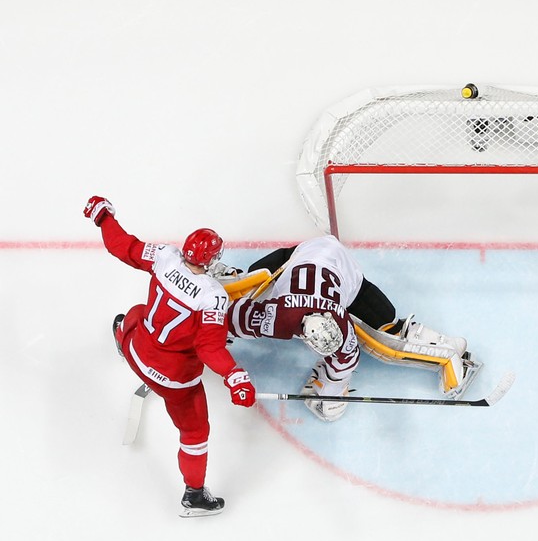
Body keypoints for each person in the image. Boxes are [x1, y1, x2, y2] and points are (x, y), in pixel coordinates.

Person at [83, 195, 257, 517]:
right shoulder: (214, 297)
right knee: (195, 433)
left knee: (136, 313)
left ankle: (120, 340)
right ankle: (194, 496)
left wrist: (104, 217)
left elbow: (122, 246)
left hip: (137, 351)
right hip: (174, 381)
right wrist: (235, 375)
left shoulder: (164, 256)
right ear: (211, 258)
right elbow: (209, 348)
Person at [224, 235, 480, 422]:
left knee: (385, 328)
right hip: (301, 255)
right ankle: (442, 345)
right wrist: (328, 394)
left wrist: (330, 393)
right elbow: (231, 316)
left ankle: (445, 350)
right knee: (251, 284)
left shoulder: (340, 325)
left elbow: (363, 355)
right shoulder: (282, 317)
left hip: (339, 265)